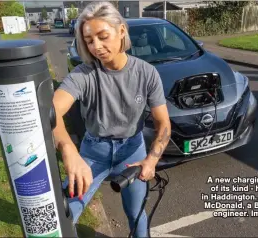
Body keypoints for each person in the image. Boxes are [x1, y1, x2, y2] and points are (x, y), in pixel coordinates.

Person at [52, 1, 171, 237]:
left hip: (132, 151)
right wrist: (68, 149)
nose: (96, 46)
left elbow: (164, 124)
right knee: (64, 213)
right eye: (89, 40)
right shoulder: (84, 75)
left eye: (103, 36)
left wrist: (151, 160)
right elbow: (51, 111)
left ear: (122, 31)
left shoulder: (147, 73)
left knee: (136, 214)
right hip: (93, 152)